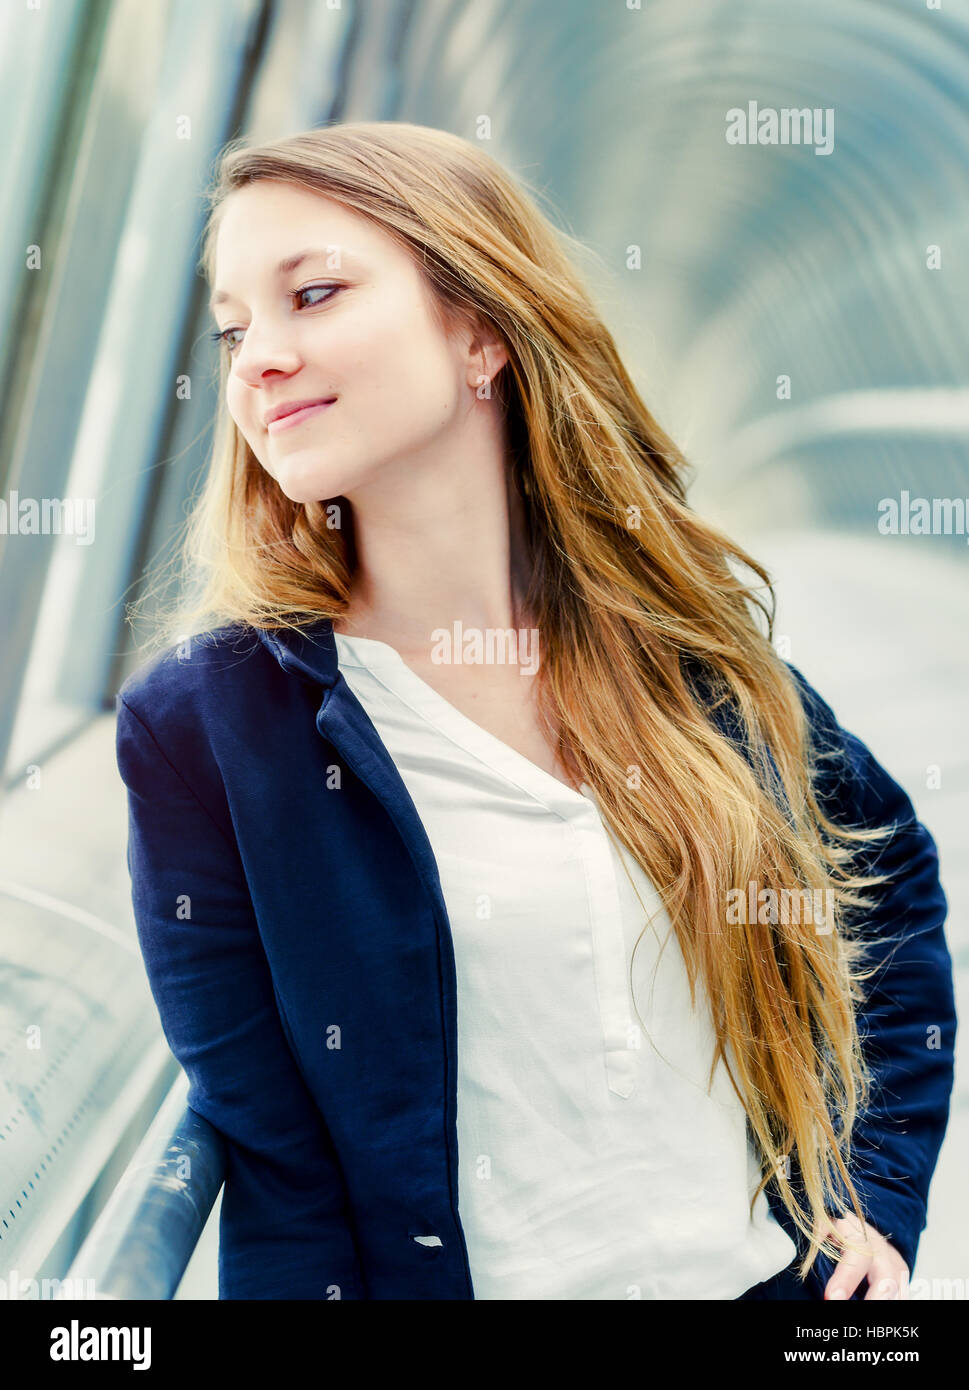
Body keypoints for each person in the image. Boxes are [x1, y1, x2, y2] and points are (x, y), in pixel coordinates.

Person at [115, 121, 956, 1301]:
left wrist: (876, 1200)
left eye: (313, 294)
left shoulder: (673, 647)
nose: (256, 358)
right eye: (235, 327)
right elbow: (283, 1179)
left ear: (481, 332)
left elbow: (891, 887)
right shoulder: (211, 731)